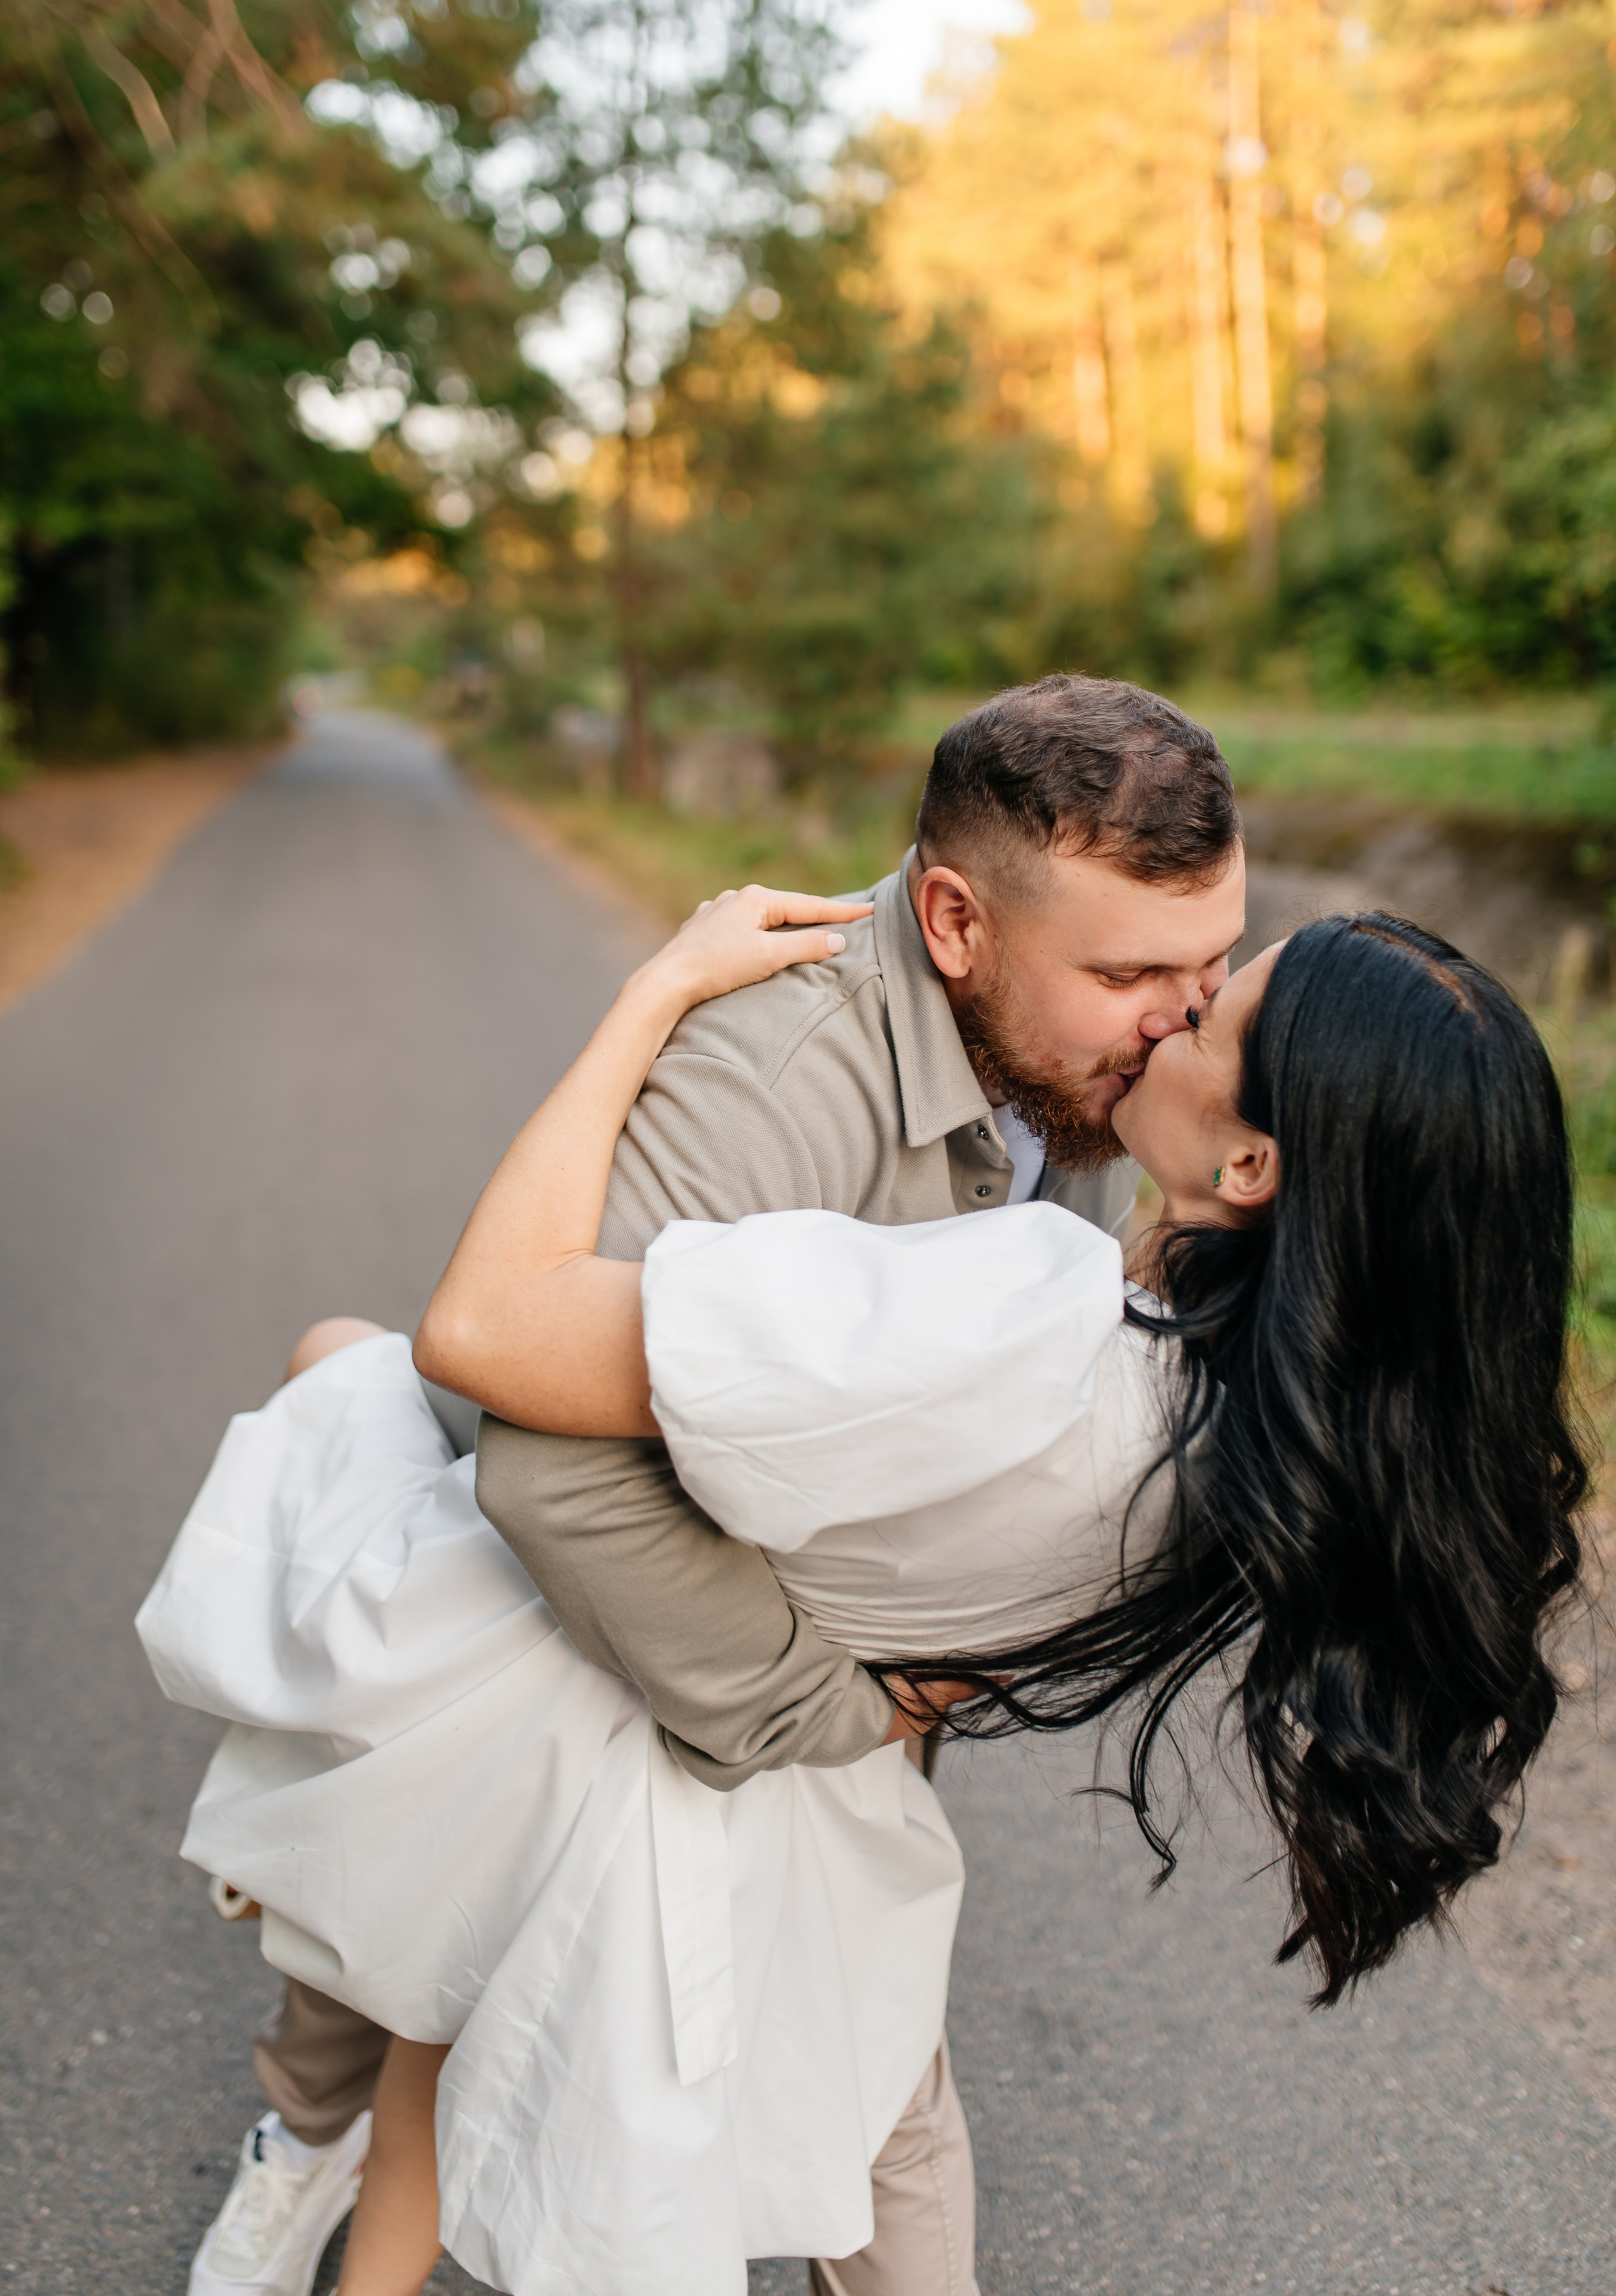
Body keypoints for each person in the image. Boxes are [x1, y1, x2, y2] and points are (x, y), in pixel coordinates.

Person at [145, 883, 1584, 2292]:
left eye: (1216, 1013)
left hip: (647, 1706)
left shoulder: (1030, 1308)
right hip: (814, 1764)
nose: (1179, 1007)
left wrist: (652, 992)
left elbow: (486, 1328)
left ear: (1254, 1167)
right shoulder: (1274, 1453)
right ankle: (310, 2140)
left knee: (342, 1363)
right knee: (853, 2124)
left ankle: (303, 2141)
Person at [178, 673, 1249, 2296]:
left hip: (741, 1632)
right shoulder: (781, 1079)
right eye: (1130, 974)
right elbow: (557, 1467)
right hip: (587, 1611)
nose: (1178, 1018)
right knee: (400, 1932)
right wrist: (839, 1711)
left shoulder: (1079, 1073)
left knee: (812, 2057)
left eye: (1209, 968)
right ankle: (298, 2132)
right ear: (954, 922)